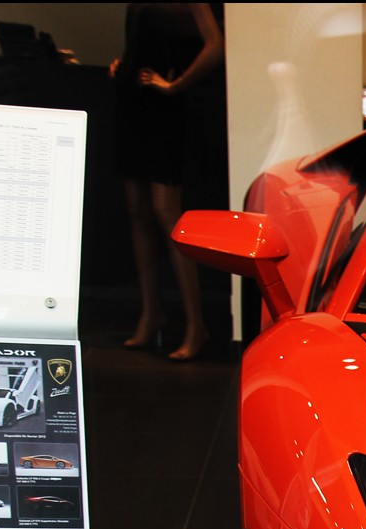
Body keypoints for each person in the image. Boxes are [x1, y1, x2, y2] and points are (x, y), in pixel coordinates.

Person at [110, 3, 224, 362]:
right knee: (137, 210)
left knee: (165, 211)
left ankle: (196, 326)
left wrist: (175, 85)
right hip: (132, 100)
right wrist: (123, 64)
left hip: (163, 107)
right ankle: (151, 314)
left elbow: (215, 45)